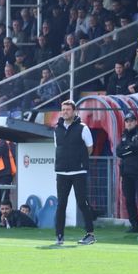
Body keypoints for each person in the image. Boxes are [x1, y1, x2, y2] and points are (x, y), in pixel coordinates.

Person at [53, 100, 95, 246]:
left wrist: (79, 161)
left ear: (74, 111)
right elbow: (58, 147)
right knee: (61, 205)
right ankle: (59, 236)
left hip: (79, 171)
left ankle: (90, 235)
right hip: (62, 172)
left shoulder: (83, 128)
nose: (65, 112)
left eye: (68, 109)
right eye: (63, 109)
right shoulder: (57, 129)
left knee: (82, 203)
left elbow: (90, 148)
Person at [116, 113, 138, 233]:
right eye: (127, 121)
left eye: (131, 121)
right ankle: (134, 226)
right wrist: (130, 149)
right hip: (126, 173)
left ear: (136, 122)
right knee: (129, 200)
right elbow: (118, 152)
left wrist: (128, 148)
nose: (129, 123)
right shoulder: (124, 134)